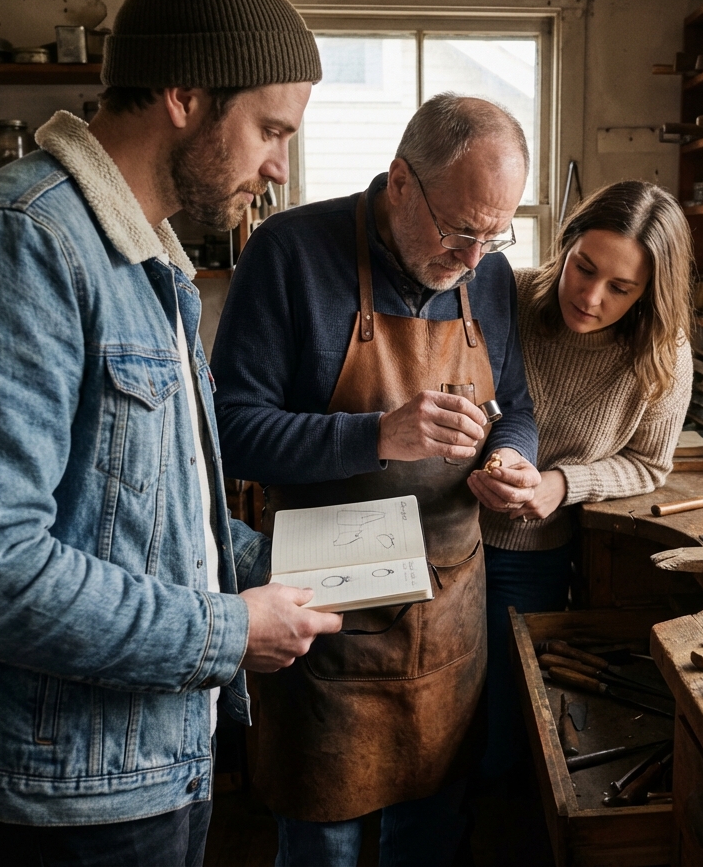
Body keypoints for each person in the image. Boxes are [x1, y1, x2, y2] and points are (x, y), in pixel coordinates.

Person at [0, 0, 341, 864]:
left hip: (153, 753)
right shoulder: (15, 244)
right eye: (272, 130)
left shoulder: (146, 258)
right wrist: (230, 630)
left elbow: (146, 515)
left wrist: (299, 564)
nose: (280, 165)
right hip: (60, 789)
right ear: (184, 95)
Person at [211, 93, 541, 865]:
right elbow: (225, 437)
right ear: (399, 181)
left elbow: (517, 407)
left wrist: (510, 458)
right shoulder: (289, 253)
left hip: (449, 613)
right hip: (326, 623)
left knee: (432, 837)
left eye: (495, 235)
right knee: (325, 845)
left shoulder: (486, 273)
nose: (472, 257)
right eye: (461, 229)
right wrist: (377, 435)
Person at [477, 179, 695, 777]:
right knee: (429, 718)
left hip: (533, 555)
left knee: (505, 727)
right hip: (442, 535)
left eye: (619, 287)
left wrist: (562, 485)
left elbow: (650, 464)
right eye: (584, 267)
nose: (591, 296)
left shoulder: (662, 353)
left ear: (649, 292)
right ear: (566, 245)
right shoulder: (510, 296)